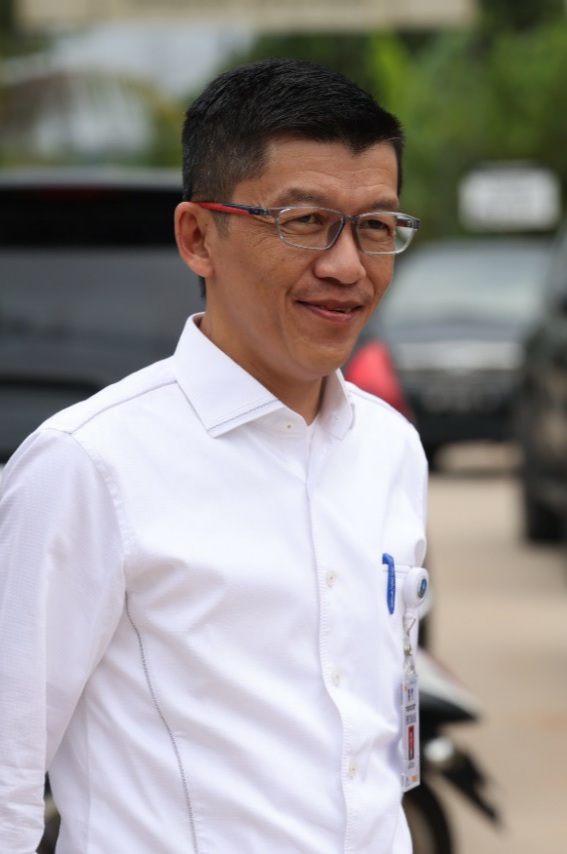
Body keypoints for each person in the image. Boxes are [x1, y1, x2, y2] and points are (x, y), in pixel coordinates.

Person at [0, 58, 427, 853]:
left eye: (375, 226)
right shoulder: (87, 466)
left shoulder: (390, 448)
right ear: (198, 237)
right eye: (304, 221)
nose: (346, 266)